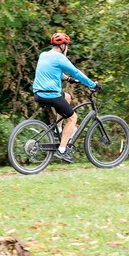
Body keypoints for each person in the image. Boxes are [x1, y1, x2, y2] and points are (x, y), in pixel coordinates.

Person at [32, 32, 100, 163]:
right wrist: (92, 84)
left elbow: (51, 71)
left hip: (38, 94)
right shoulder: (59, 57)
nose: (67, 48)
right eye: (67, 46)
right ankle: (62, 150)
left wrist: (69, 79)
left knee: (67, 97)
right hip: (51, 94)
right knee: (73, 118)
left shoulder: (43, 55)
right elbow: (76, 72)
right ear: (63, 46)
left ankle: (58, 129)